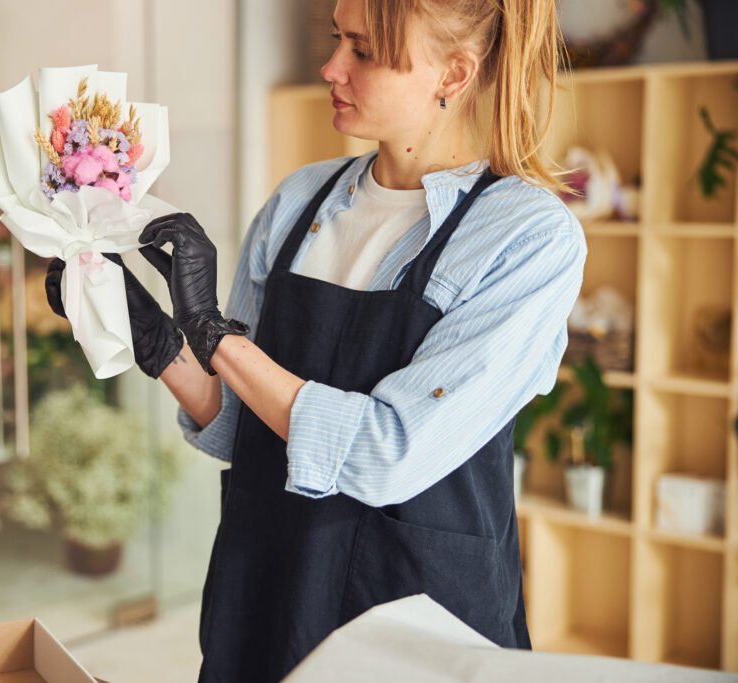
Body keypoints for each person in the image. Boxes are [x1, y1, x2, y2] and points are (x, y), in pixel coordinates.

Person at [46, 0, 585, 680]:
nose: (330, 67)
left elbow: (386, 452)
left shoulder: (523, 237)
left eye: (362, 51)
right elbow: (244, 426)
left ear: (453, 72)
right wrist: (159, 344)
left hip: (413, 614)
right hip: (269, 581)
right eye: (337, 39)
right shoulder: (298, 203)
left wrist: (215, 335)